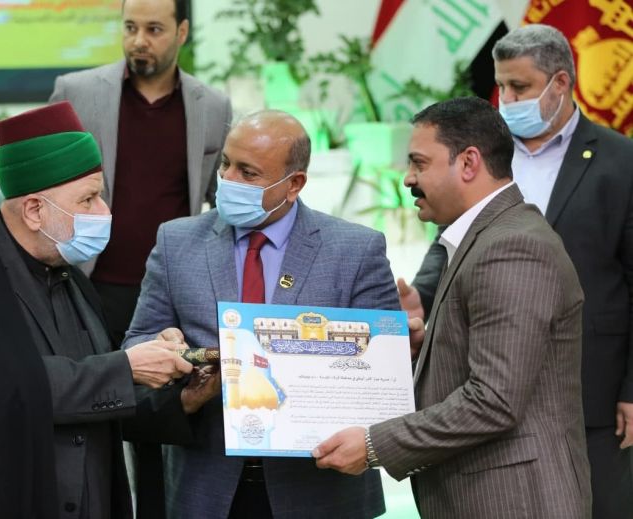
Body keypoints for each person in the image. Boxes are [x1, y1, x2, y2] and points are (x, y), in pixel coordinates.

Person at [0, 101, 217, 519]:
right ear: (34, 210)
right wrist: (126, 367)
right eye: (89, 199)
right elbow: (2, 392)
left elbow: (96, 401)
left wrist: (182, 397)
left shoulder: (70, 276)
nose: (105, 212)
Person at [313, 97, 592, 518]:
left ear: (468, 162)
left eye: (419, 163)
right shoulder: (483, 238)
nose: (408, 178)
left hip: (513, 501)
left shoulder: (512, 246)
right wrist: (423, 348)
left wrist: (372, 445)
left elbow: (494, 400)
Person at [399, 24, 633, 518]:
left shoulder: (620, 161)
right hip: (491, 369)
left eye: (519, 87)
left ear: (561, 83)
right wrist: (423, 294)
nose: (505, 100)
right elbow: (452, 240)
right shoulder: (485, 154)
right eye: (500, 86)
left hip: (594, 381)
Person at [123, 110, 400, 519]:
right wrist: (167, 353)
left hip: (319, 490)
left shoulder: (355, 250)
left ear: (294, 184)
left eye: (248, 173)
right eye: (226, 164)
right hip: (206, 485)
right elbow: (136, 343)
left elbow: (385, 372)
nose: (228, 180)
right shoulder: (176, 241)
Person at [49, 0, 232, 346]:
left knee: (168, 381)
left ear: (181, 32)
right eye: (130, 27)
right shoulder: (76, 92)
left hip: (174, 289)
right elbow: (48, 187)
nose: (139, 41)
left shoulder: (212, 106)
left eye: (154, 29)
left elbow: (220, 201)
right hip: (89, 280)